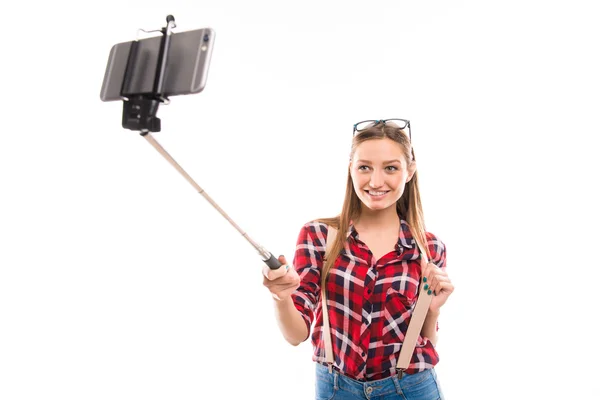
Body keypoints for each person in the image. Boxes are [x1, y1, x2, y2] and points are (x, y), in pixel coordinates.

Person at [263, 119, 454, 400]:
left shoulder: (429, 247)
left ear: (409, 171)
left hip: (412, 389)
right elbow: (295, 335)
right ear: (350, 168)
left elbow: (426, 339)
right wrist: (282, 297)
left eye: (391, 168)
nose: (376, 182)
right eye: (364, 167)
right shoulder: (318, 236)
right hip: (337, 389)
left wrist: (434, 310)